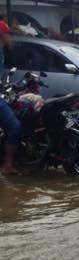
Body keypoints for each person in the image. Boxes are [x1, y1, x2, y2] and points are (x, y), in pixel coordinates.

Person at [0, 19, 21, 175]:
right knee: (14, 127)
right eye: (8, 34)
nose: (10, 37)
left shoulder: (2, 51)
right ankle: (7, 166)